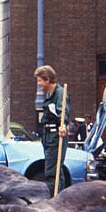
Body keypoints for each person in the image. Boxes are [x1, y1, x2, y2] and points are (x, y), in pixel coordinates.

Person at [35, 65, 69, 196]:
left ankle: (54, 199)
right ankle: (58, 197)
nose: (39, 84)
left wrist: (63, 125)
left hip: (55, 136)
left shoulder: (60, 93)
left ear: (47, 79)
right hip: (48, 136)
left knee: (52, 171)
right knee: (54, 170)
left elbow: (63, 111)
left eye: (40, 81)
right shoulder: (50, 94)